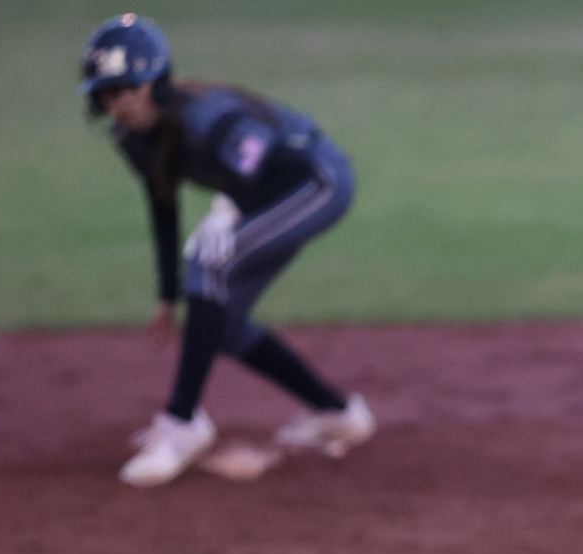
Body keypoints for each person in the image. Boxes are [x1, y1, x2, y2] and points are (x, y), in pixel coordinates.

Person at [79, 13, 374, 487]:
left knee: (210, 262)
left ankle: (182, 423)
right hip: (273, 196)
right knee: (224, 321)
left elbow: (277, 164)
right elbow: (162, 202)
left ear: (155, 84)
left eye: (124, 91)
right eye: (106, 95)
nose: (116, 106)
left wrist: (226, 213)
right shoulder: (131, 137)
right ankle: (337, 413)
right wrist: (167, 293)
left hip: (317, 182)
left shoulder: (211, 120)